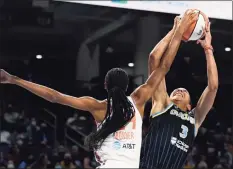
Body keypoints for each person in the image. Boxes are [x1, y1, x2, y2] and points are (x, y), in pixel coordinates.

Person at [0, 14, 184, 167]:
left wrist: (14, 80)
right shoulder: (139, 99)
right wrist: (177, 30)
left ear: (105, 85)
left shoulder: (97, 106)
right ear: (127, 86)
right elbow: (164, 65)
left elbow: (54, 97)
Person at [140, 12, 218, 169]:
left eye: (184, 91)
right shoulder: (162, 103)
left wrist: (208, 49)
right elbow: (154, 59)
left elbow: (213, 87)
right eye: (176, 90)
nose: (180, 90)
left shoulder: (194, 119)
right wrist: (176, 30)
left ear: (190, 106)